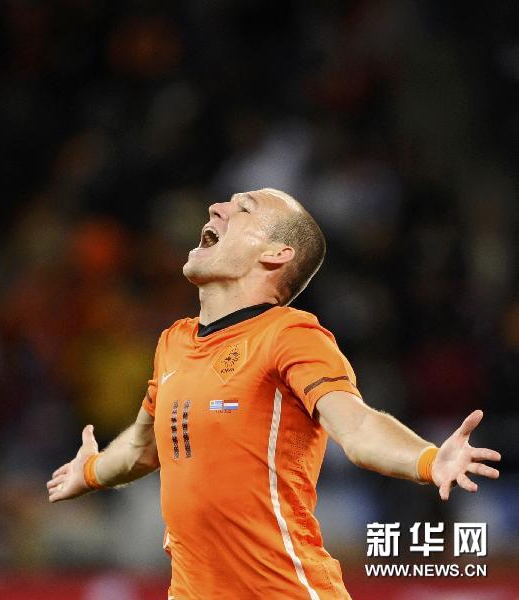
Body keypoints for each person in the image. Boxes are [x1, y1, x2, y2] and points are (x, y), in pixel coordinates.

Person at [47, 188, 501, 600]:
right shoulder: (174, 342)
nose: (216, 207)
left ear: (276, 253)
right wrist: (88, 471)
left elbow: (357, 425)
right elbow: (143, 448)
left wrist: (427, 459)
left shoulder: (289, 334)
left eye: (243, 208)